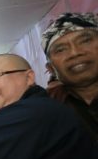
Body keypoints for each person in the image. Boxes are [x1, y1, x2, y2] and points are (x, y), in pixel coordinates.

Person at [41, 12, 98, 140]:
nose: (75, 53)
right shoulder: (46, 109)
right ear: (51, 69)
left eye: (85, 41)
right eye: (60, 50)